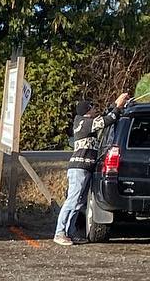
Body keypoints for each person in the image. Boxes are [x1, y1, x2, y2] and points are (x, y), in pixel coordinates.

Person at [55, 90, 130, 246]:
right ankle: (60, 232)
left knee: (79, 202)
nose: (96, 110)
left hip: (85, 168)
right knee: (72, 200)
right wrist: (118, 106)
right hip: (79, 168)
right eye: (93, 108)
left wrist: (115, 104)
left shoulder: (84, 121)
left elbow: (105, 116)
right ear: (87, 112)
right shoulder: (85, 123)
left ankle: (70, 233)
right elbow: (108, 120)